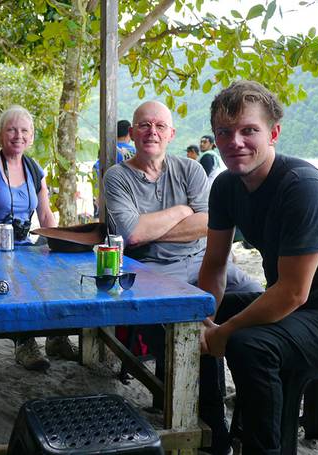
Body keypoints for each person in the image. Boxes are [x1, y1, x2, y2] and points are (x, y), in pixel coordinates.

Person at [198, 80, 318, 454]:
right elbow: (214, 265)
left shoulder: (301, 186)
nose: (236, 142)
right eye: (224, 133)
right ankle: (213, 432)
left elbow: (294, 291)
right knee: (188, 321)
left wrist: (225, 330)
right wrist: (205, 320)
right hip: (294, 306)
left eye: (249, 131)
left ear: (274, 133)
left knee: (248, 344)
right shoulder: (226, 187)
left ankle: (263, 449)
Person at [104, 100, 262, 454]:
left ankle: (251, 407)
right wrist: (182, 210)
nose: (152, 132)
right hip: (151, 270)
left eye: (160, 126)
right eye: (144, 125)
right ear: (132, 133)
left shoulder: (190, 170)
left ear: (171, 134)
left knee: (256, 295)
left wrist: (151, 227)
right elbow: (130, 235)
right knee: (194, 320)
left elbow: (210, 225)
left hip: (202, 260)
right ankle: (212, 421)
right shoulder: (117, 176)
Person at [0, 105, 75, 372]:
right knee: (16, 282)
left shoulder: (34, 169)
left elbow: (45, 215)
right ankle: (25, 344)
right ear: (1, 135)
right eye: (11, 129)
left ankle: (57, 337)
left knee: (56, 274)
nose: (18, 135)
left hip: (25, 245)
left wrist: (56, 241)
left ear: (31, 137)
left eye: (24, 130)